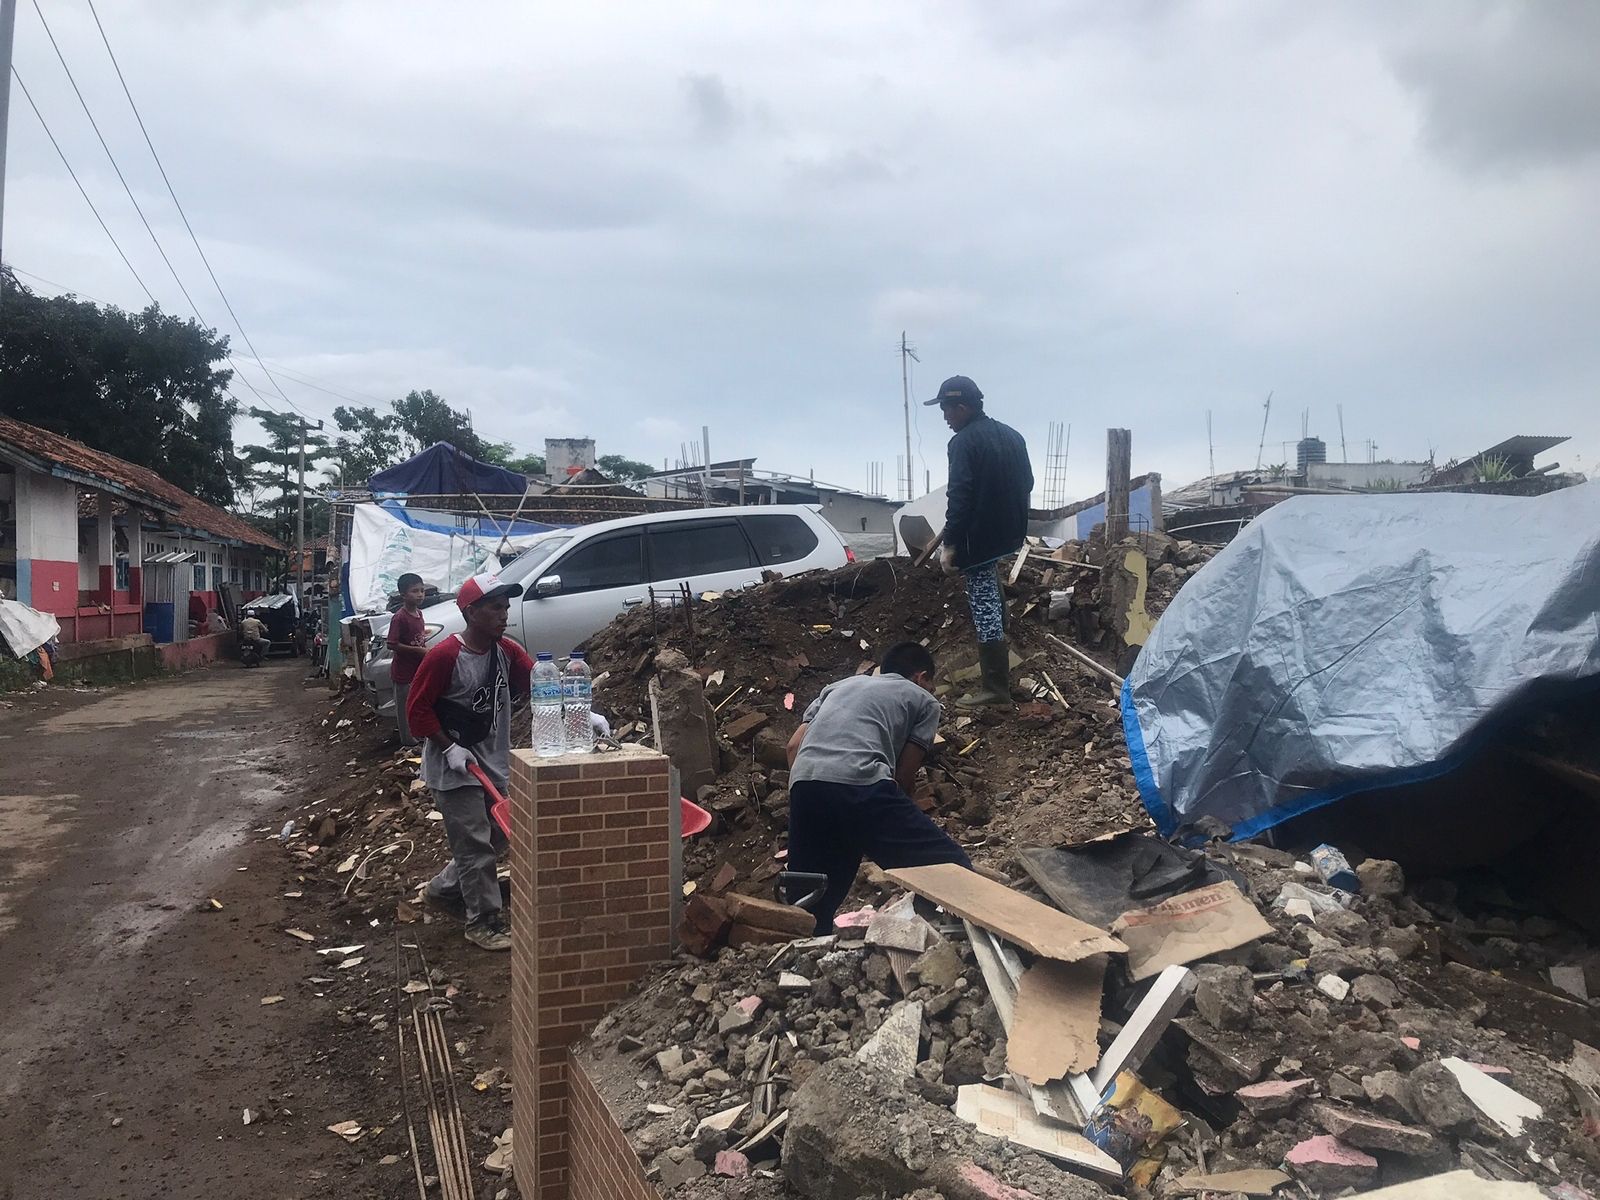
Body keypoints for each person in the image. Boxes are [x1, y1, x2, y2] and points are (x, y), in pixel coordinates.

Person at [783, 642, 972, 933]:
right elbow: (905, 774)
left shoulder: (837, 687)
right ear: (921, 678)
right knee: (950, 866)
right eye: (930, 686)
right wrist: (897, 821)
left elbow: (794, 746)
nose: (929, 692)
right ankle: (973, 941)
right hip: (861, 782)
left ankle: (799, 959)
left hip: (805, 784)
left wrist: (813, 792)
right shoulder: (923, 699)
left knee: (812, 894)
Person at [406, 572, 534, 951]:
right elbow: (417, 712)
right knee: (476, 846)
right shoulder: (445, 656)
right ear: (471, 612)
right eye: (496, 607)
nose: (504, 614)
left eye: (506, 606)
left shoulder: (506, 652)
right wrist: (448, 748)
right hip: (455, 767)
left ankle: (442, 891)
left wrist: (578, 708)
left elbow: (538, 683)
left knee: (495, 837)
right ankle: (483, 923)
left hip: (493, 764)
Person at [925, 375, 1034, 709]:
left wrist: (952, 544)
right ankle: (1001, 653)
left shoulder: (963, 443)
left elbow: (960, 497)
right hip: (1009, 534)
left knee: (983, 603)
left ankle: (995, 688)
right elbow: (1027, 482)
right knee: (992, 589)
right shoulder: (1013, 436)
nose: (944, 416)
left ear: (962, 406)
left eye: (946, 408)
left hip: (979, 540)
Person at [387, 573, 430, 746]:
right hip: (403, 673)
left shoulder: (419, 614)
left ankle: (419, 737)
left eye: (422, 591)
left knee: (417, 705)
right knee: (405, 709)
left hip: (417, 671)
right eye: (415, 591)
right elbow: (391, 644)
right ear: (403, 594)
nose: (420, 594)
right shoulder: (400, 617)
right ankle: (408, 743)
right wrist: (417, 650)